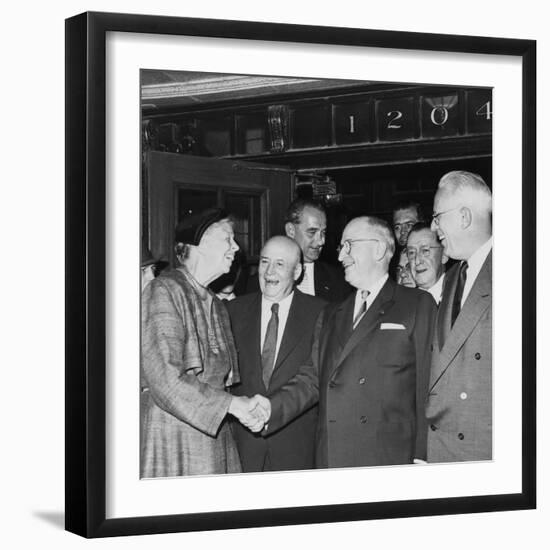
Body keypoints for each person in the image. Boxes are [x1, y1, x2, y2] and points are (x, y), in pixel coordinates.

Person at [256, 216, 437, 468]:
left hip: (388, 457)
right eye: (342, 248)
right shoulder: (331, 314)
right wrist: (269, 409)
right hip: (333, 455)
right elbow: (311, 380)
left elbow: (428, 385)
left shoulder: (416, 304)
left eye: (349, 246)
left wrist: (422, 454)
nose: (341, 256)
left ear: (378, 249)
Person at [140, 208, 267, 478]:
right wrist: (233, 406)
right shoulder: (164, 290)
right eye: (228, 239)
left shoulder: (217, 305)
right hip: (175, 439)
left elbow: (222, 383)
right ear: (199, 244)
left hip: (216, 438)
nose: (236, 248)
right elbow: (165, 379)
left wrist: (242, 407)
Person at [227, 236, 326, 472]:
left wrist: (273, 408)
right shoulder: (233, 311)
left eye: (280, 264)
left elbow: (315, 380)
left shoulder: (322, 313)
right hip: (243, 450)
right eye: (264, 262)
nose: (269, 271)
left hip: (297, 450)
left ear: (297, 271)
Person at [426, 171, 493, 462]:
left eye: (437, 216)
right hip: (442, 447)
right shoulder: (453, 276)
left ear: (464, 217)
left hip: (483, 450)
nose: (433, 226)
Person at [284, 198, 351, 302]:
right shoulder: (266, 278)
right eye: (312, 232)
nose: (321, 241)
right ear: (291, 231)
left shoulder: (338, 280)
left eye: (323, 232)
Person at [406, 222, 448, 304]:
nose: (417, 261)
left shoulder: (461, 293)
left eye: (425, 251)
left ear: (444, 255)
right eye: (411, 252)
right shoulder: (405, 304)